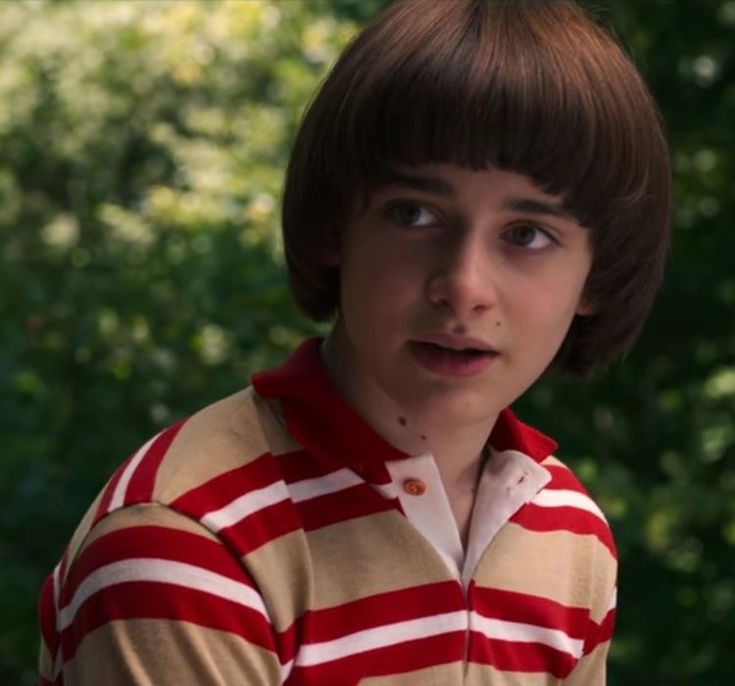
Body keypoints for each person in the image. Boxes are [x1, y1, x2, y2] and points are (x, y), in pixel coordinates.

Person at [38, 0, 670, 684]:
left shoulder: (567, 534)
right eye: (414, 214)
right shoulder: (191, 541)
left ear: (597, 276)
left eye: (526, 235)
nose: (463, 286)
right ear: (336, 228)